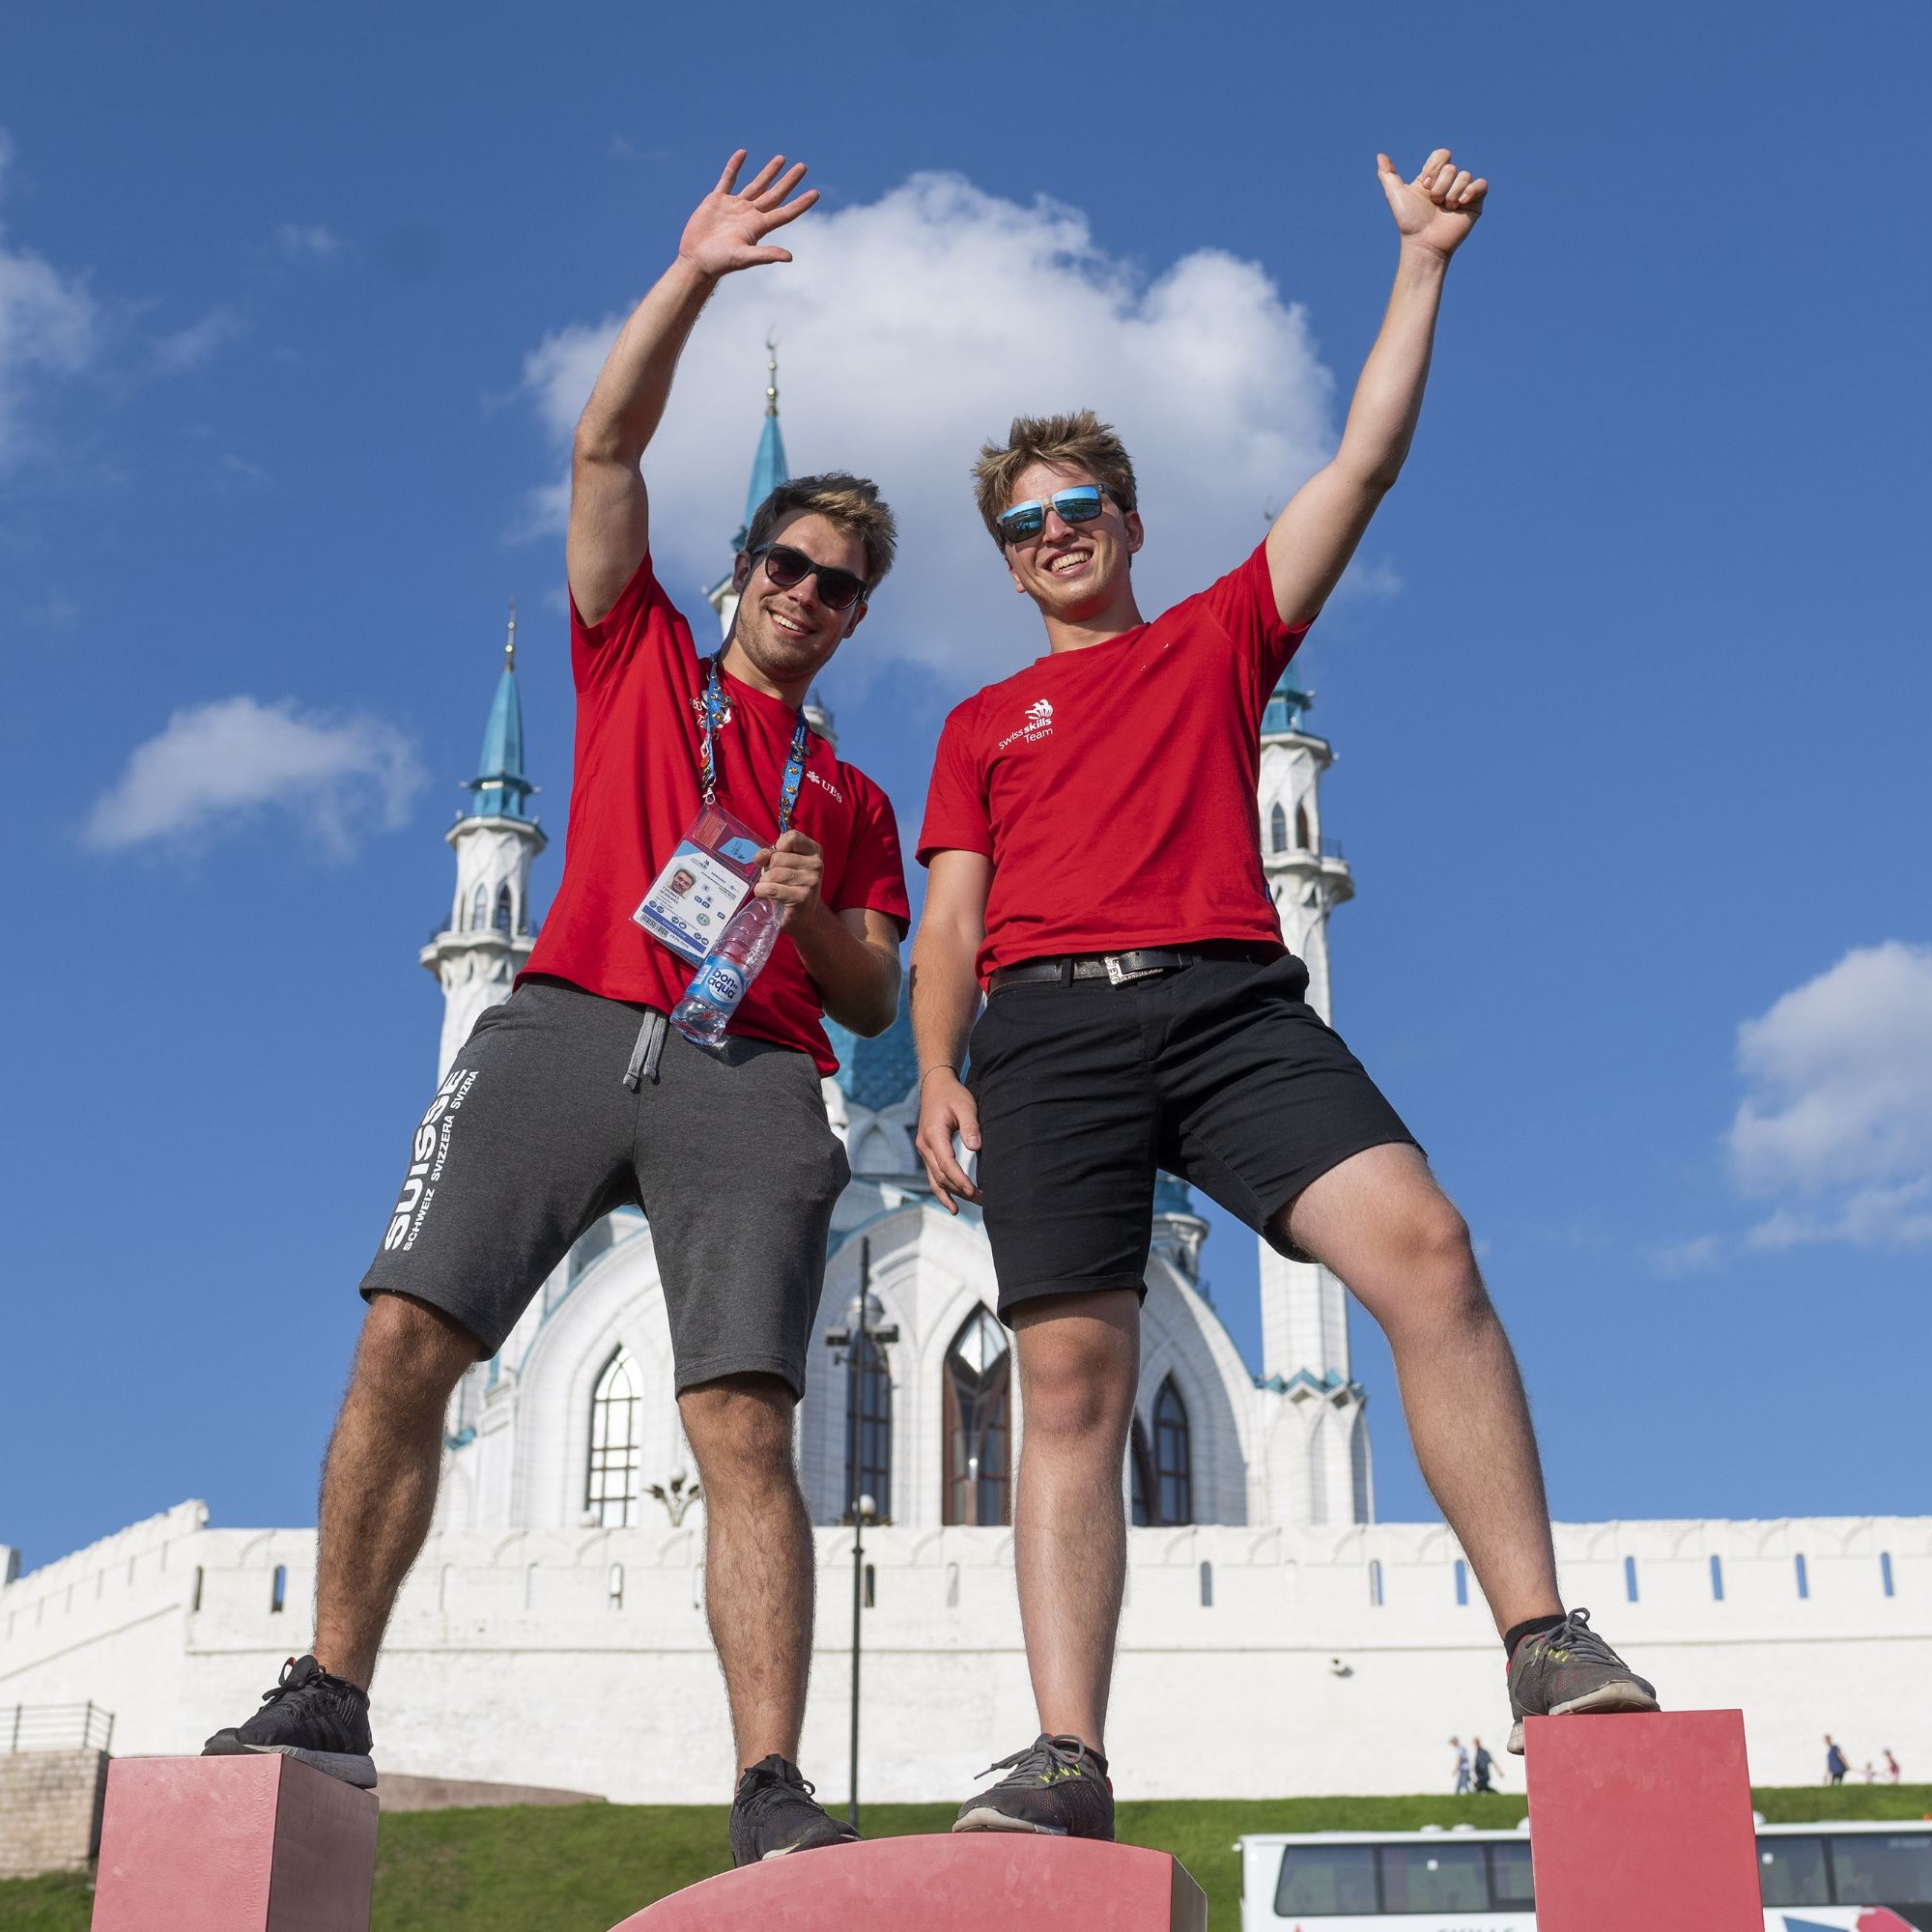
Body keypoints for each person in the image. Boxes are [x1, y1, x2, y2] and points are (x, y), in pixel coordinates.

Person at [911, 148, 1659, 1842]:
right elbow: (947, 922)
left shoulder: (1219, 638)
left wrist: (1421, 266)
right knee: (1073, 1386)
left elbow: (1366, 459)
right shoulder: (976, 729)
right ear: (1005, 557)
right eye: (1020, 526)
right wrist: (941, 1068)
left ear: (1128, 524)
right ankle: (1067, 1755)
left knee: (1432, 1252)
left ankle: (1540, 1639)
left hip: (1236, 1008)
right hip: (1049, 1032)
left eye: (1075, 511)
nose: (1050, 539)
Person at [203, 151, 912, 1868]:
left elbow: (882, 990)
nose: (804, 595)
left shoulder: (856, 797)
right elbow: (605, 448)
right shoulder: (636, 654)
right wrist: (692, 279)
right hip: (567, 1021)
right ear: (743, 565)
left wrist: (815, 925)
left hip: (755, 1074)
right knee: (404, 1338)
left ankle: (767, 1789)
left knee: (742, 1420)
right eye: (789, 564)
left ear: (856, 619)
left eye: (839, 586)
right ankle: (331, 1686)